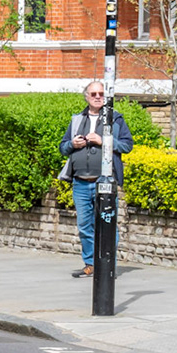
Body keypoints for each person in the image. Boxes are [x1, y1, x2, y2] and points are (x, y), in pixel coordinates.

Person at [60, 79, 133, 279]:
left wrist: (104, 141)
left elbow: (127, 145)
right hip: (81, 182)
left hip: (105, 182)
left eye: (101, 94)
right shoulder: (77, 120)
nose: (98, 97)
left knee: (108, 224)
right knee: (84, 225)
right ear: (87, 97)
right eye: (94, 94)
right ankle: (90, 264)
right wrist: (72, 145)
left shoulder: (115, 119)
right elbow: (62, 147)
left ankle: (108, 264)